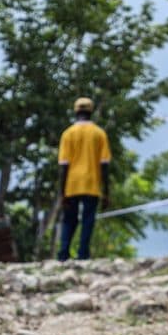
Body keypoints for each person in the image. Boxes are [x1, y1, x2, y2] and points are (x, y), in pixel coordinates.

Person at [57, 97, 111, 261]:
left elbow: (64, 166)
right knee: (88, 221)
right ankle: (83, 254)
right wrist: (106, 191)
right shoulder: (99, 133)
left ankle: (63, 253)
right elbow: (105, 165)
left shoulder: (68, 134)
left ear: (76, 111)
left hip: (72, 184)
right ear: (91, 112)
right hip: (91, 183)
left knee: (69, 220)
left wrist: (62, 192)